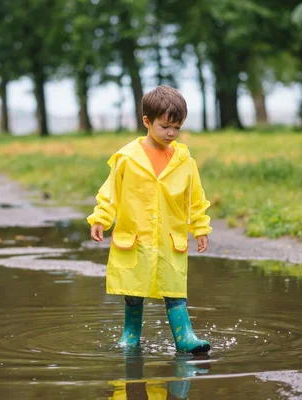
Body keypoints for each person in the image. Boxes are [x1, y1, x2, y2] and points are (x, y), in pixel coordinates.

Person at [88, 85, 212, 354]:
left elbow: (195, 198)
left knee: (175, 289)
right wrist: (100, 218)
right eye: (165, 126)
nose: (171, 134)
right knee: (134, 290)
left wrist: (200, 227)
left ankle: (185, 337)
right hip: (136, 237)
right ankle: (130, 336)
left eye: (177, 128)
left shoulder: (183, 160)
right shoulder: (127, 158)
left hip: (170, 238)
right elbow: (111, 193)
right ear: (147, 121)